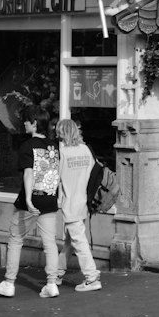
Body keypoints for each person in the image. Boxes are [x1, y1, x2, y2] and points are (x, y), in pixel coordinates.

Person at [0, 105, 62, 299]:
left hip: (30, 201)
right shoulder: (54, 147)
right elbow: (56, 174)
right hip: (49, 198)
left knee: (16, 239)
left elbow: (29, 173)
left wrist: (29, 199)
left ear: (34, 123)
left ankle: (9, 282)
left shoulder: (27, 146)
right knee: (50, 244)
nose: (23, 123)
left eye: (26, 120)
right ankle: (51, 283)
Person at [53, 117, 102, 292]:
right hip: (83, 202)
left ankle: (91, 277)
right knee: (70, 241)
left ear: (62, 133)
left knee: (79, 242)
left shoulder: (61, 153)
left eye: (59, 132)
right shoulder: (86, 150)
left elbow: (55, 179)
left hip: (70, 204)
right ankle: (57, 273)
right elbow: (93, 174)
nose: (57, 135)